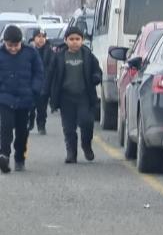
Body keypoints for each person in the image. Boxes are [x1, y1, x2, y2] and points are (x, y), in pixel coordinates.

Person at [45, 26, 102, 163]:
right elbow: (50, 76)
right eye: (71, 39)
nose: (74, 42)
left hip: (84, 96)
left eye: (78, 39)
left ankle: (86, 145)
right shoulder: (59, 57)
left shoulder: (88, 55)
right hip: (66, 97)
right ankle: (71, 153)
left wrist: (96, 77)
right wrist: (45, 93)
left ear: (82, 40)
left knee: (86, 122)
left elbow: (97, 71)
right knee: (69, 128)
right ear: (65, 40)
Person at [0, 24, 44, 174]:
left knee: (22, 131)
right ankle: (4, 155)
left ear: (22, 42)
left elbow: (39, 73)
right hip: (5, 98)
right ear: (4, 42)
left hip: (25, 98)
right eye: (9, 45)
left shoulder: (31, 53)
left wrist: (34, 90)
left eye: (16, 45)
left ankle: (19, 158)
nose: (13, 48)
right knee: (5, 128)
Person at [28, 30, 54, 135]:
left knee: (42, 108)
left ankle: (41, 125)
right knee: (29, 107)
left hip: (43, 84)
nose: (41, 39)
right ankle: (30, 122)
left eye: (43, 36)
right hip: (30, 84)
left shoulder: (50, 51)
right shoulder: (28, 51)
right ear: (34, 38)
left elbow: (52, 67)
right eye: (38, 36)